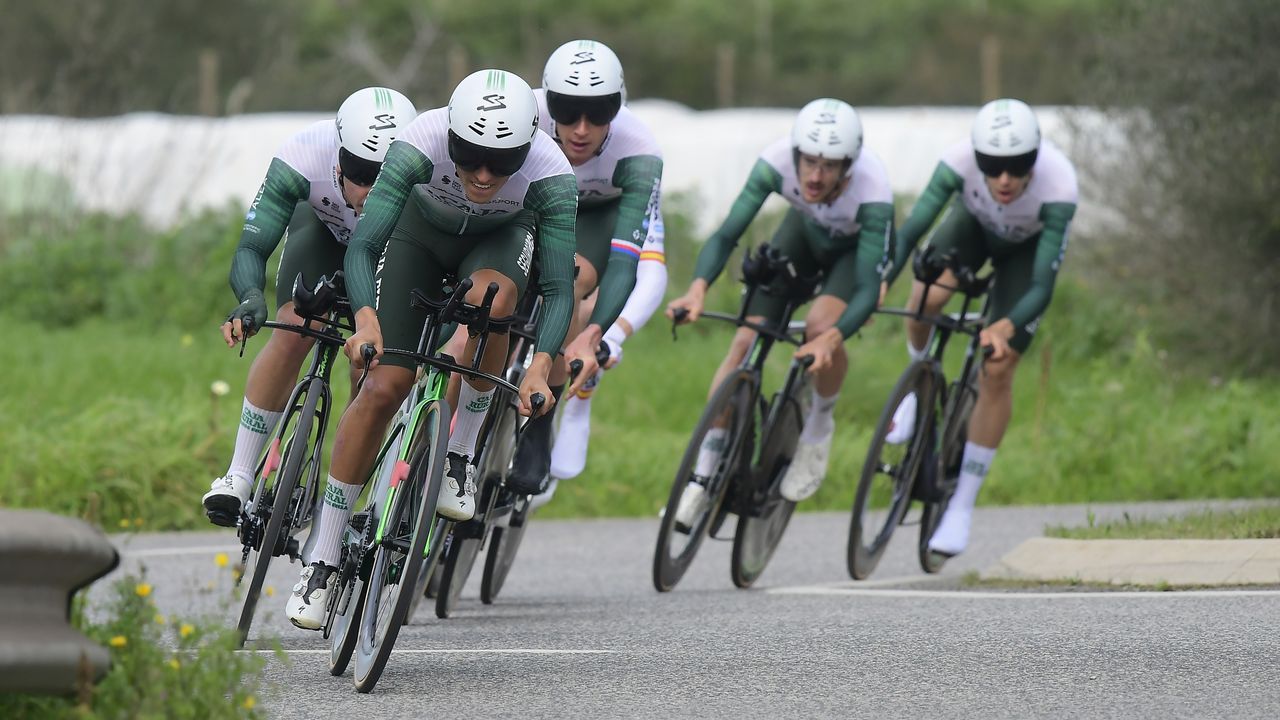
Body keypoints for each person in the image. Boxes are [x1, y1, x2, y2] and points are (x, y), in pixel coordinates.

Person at [284, 69, 582, 630]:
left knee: (493, 303)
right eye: (469, 157)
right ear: (450, 135)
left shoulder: (551, 174)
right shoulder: (418, 142)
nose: (485, 175)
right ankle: (321, 559)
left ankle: (460, 455)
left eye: (502, 162)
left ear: (529, 146)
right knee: (383, 387)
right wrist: (367, 321)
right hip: (418, 239)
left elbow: (558, 289)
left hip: (497, 242)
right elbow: (365, 244)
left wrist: (541, 366)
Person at [666, 98, 895, 525]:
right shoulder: (774, 162)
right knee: (742, 344)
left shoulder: (873, 189)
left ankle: (819, 427)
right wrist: (697, 289)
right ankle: (705, 474)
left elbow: (866, 289)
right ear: (795, 155)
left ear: (848, 166)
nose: (815, 175)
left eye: (829, 167)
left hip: (854, 253)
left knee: (819, 325)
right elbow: (727, 233)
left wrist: (831, 339)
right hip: (804, 233)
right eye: (808, 162)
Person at [203, 87, 417, 526]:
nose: (372, 191)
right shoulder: (304, 153)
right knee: (294, 324)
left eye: (387, 177)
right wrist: (248, 298)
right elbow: (252, 245)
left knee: (374, 365)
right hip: (325, 235)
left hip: (392, 251)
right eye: (360, 174)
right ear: (338, 159)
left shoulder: (429, 163)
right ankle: (239, 474)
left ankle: (358, 488)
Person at [883, 98, 1078, 557]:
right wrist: (879, 285)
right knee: (924, 299)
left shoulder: (1059, 186)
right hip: (973, 227)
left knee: (998, 366)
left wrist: (1003, 327)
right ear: (977, 160)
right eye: (993, 167)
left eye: (1016, 167)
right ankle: (918, 385)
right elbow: (911, 232)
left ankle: (962, 507)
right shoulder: (956, 162)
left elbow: (1041, 286)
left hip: (1025, 256)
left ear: (1035, 159)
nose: (1005, 180)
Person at [502, 39, 663, 497]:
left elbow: (627, 262)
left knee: (567, 281)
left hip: (592, 218)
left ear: (619, 107)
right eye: (567, 113)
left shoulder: (640, 149)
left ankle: (537, 429)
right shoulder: (522, 114)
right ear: (547, 101)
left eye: (598, 114)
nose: (580, 129)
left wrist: (595, 334)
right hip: (528, 204)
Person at [540, 209, 667, 505]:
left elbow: (652, 273)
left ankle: (580, 390)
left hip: (595, 255)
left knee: (584, 300)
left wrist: (611, 337)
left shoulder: (635, 165)